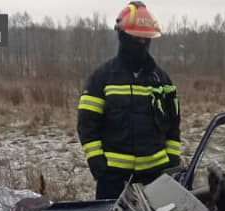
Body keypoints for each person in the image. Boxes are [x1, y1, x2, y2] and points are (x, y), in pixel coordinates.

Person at [77, 2, 181, 200]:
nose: (142, 44)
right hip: (114, 180)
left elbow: (173, 124)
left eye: (146, 39)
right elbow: (86, 123)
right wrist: (96, 159)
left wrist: (173, 158)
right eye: (136, 39)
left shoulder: (161, 79)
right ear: (122, 37)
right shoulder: (102, 78)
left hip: (156, 178)